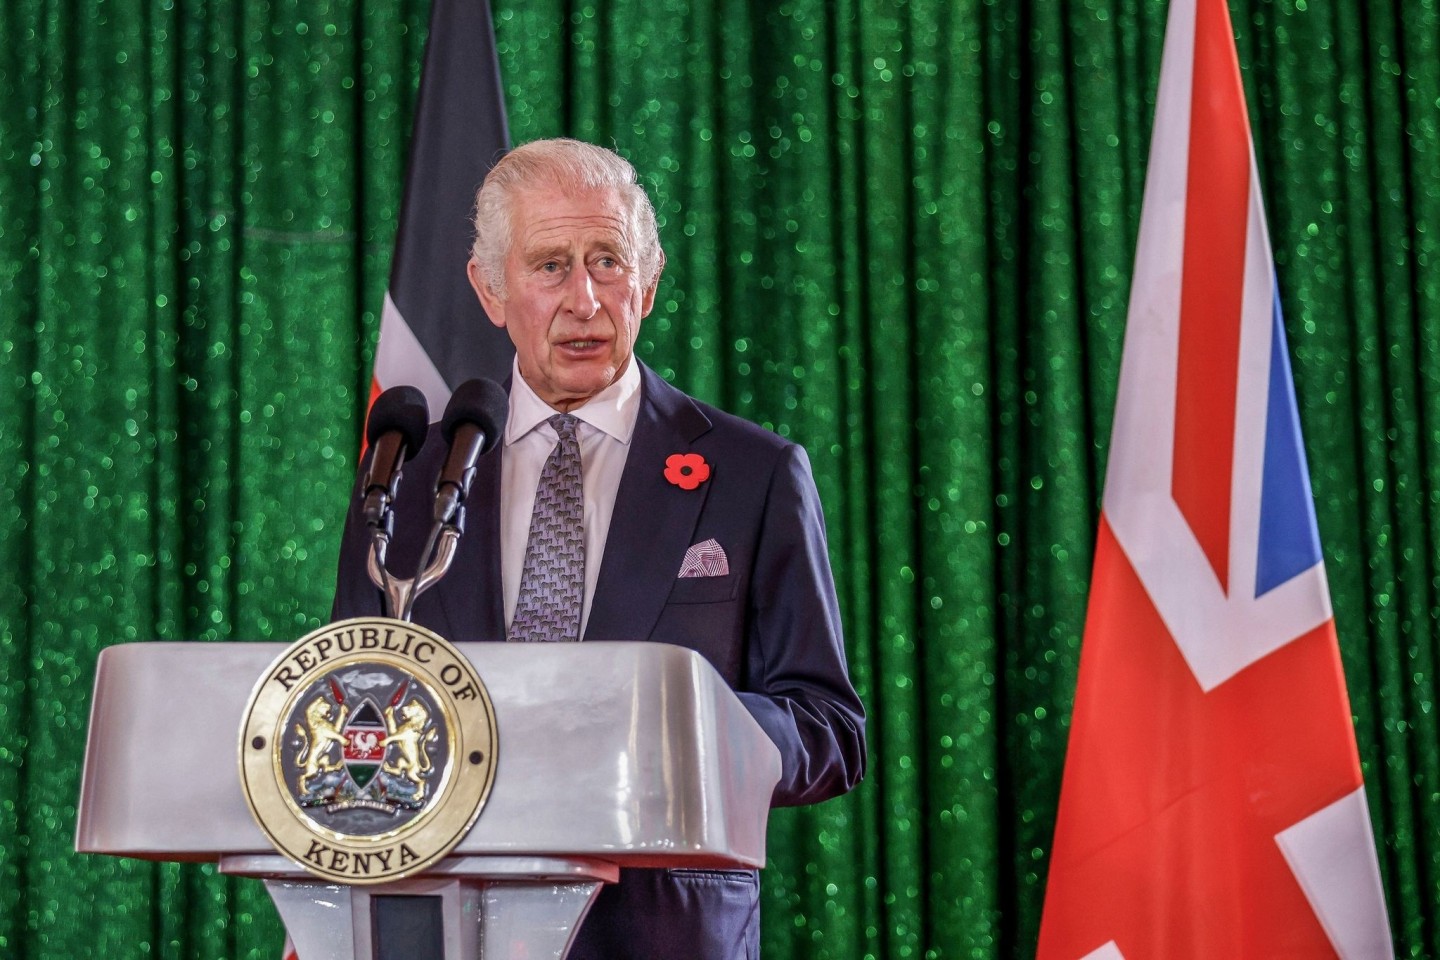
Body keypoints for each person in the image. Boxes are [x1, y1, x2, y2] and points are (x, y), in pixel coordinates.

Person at [332, 138, 866, 959]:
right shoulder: (402, 481)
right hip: (444, 922)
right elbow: (349, 705)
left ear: (647, 284)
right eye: (549, 265)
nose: (584, 298)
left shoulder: (754, 474)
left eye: (608, 260)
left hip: (663, 933)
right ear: (490, 289)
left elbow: (830, 729)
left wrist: (695, 730)